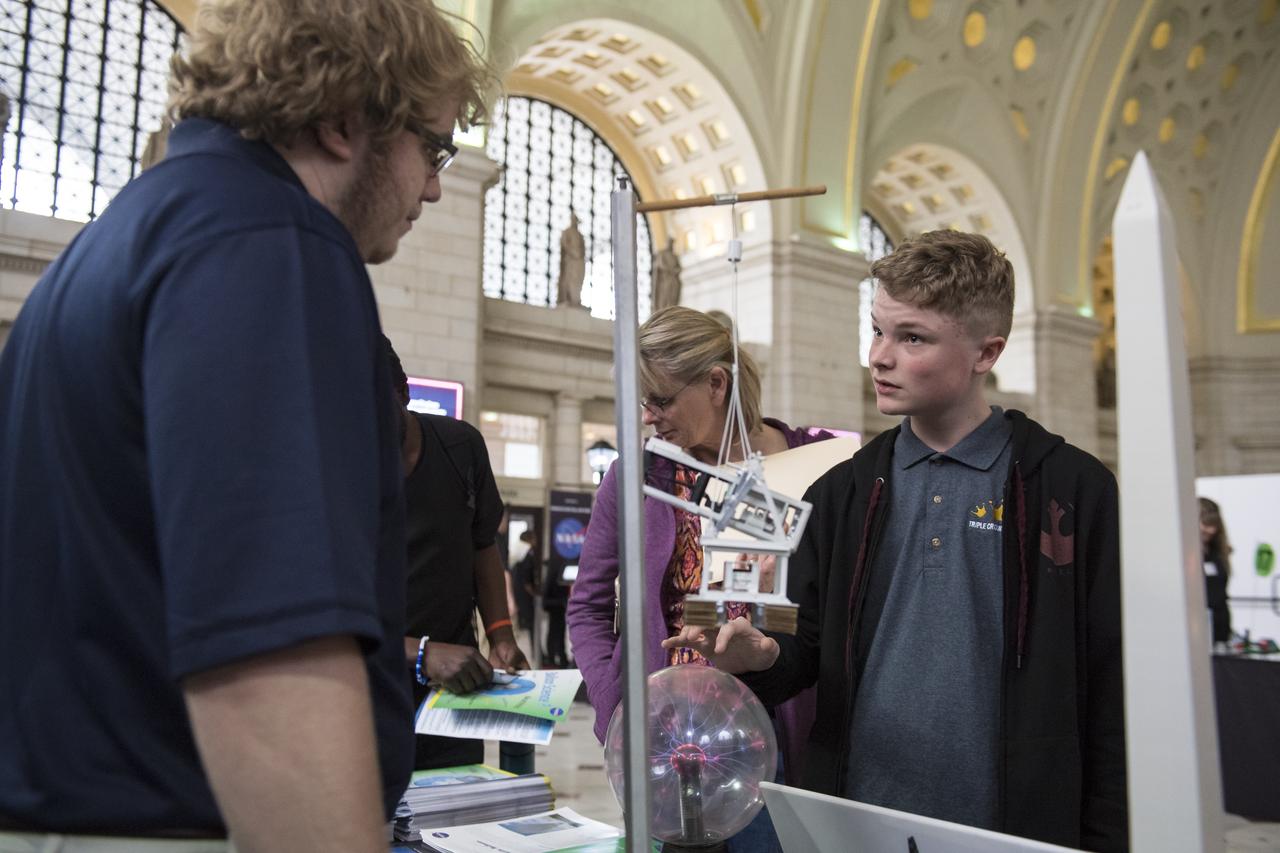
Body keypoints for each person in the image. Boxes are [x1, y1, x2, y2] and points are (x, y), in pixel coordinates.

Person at [0, 2, 495, 851]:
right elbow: (275, 671)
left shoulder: (127, 235)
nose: (436, 185)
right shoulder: (274, 246)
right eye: (433, 145)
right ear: (346, 121)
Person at [665, 232, 1128, 852]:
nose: (878, 356)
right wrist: (764, 657)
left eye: (912, 338)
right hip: (861, 821)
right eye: (877, 330)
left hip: (1015, 825)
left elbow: (1109, 683)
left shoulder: (1071, 490)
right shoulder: (842, 491)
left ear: (986, 352)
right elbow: (807, 645)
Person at [568, 306, 834, 853]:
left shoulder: (816, 465)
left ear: (716, 383)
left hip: (780, 731)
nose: (648, 417)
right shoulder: (640, 476)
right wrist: (614, 702)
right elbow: (589, 605)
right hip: (665, 735)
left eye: (660, 400)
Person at [384, 337, 529, 769]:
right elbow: (326, 621)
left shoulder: (460, 447)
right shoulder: (331, 472)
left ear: (403, 393)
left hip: (454, 693)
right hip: (368, 689)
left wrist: (500, 633)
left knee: (453, 814)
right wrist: (424, 653)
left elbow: (481, 544)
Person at [1199, 496, 1233, 647]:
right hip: (1200, 626)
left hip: (1220, 625)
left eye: (1214, 525)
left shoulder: (1217, 554)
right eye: (1206, 524)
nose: (1211, 530)